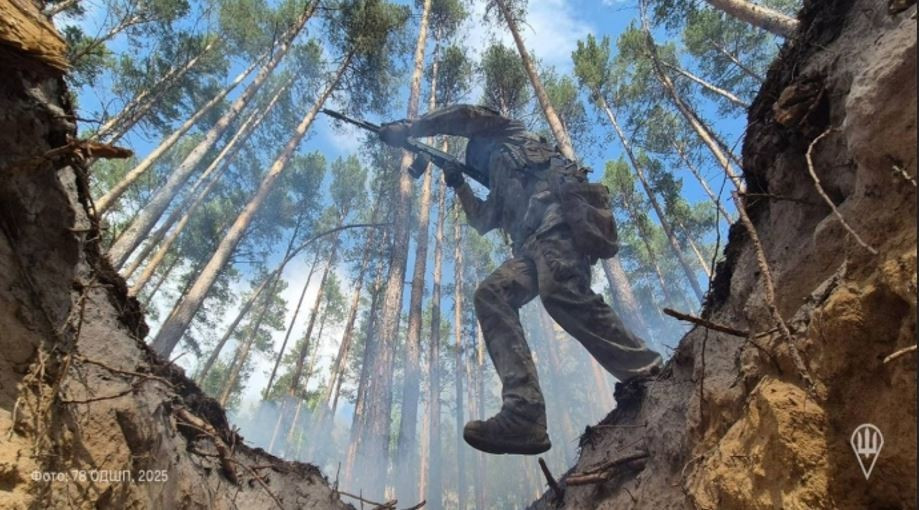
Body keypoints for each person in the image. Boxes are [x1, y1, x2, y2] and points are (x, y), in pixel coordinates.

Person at [379, 104, 662, 455]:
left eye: (478, 156)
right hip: (530, 247)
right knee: (491, 294)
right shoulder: (500, 183)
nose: (481, 161)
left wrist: (411, 128)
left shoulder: (509, 131)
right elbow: (483, 221)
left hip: (558, 224)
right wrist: (458, 183)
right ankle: (524, 412)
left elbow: (465, 116)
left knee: (562, 294)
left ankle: (647, 370)